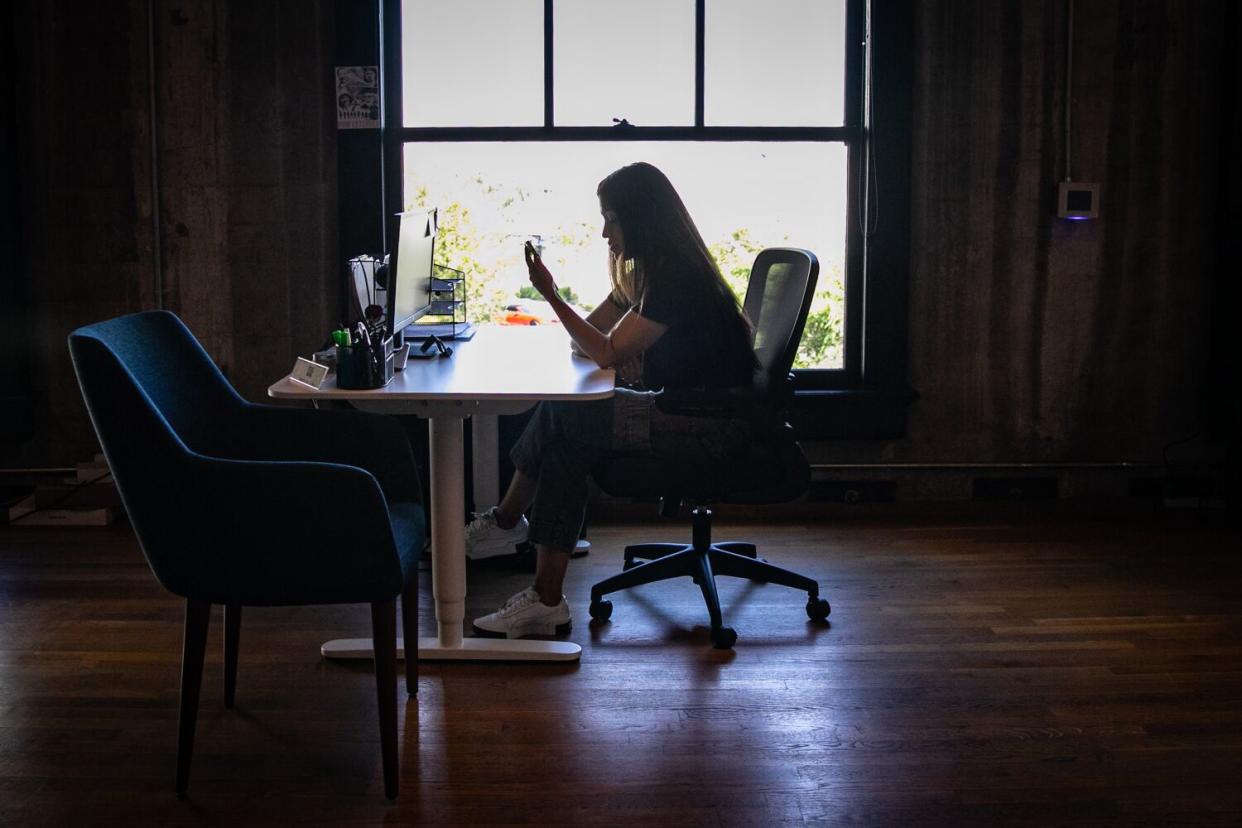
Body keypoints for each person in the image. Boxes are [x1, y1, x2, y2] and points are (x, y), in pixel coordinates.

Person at [467, 161, 760, 638]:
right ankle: (544, 597)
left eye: (612, 218)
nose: (605, 231)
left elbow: (603, 349)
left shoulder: (677, 280)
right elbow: (594, 335)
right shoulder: (651, 273)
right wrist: (583, 317)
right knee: (565, 446)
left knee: (565, 411)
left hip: (708, 423)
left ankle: (505, 525)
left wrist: (552, 295)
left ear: (641, 218)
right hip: (684, 410)